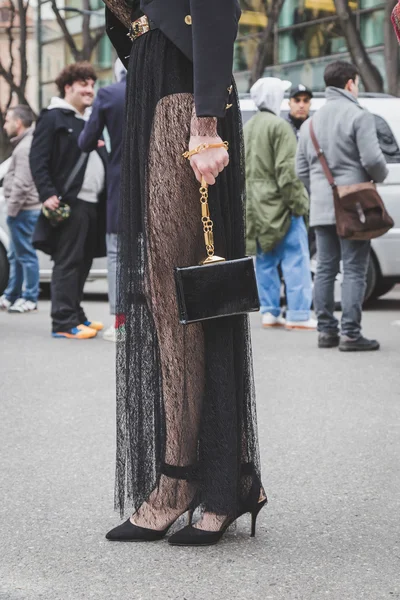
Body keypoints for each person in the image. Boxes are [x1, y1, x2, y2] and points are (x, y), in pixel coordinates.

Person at [102, 0, 267, 546]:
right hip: (156, 89)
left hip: (184, 98)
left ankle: (183, 482)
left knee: (180, 297)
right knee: (179, 296)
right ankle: (233, 473)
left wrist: (205, 121)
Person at [296, 60, 388, 351]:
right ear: (350, 83)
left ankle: (326, 331)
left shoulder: (310, 123)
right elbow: (373, 161)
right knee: (354, 269)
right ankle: (350, 333)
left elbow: (300, 169)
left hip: (322, 207)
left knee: (324, 268)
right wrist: (380, 177)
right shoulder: (359, 116)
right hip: (354, 207)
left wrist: (320, 193)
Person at [30, 63, 107, 340]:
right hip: (69, 203)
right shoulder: (53, 117)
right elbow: (37, 158)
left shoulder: (86, 120)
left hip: (90, 204)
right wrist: (47, 193)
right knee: (68, 261)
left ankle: (75, 314)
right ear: (68, 87)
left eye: (92, 85)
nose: (90, 90)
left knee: (84, 261)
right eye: (83, 84)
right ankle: (63, 322)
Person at [245, 77, 316, 331]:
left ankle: (270, 312)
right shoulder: (280, 127)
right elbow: (288, 173)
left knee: (265, 259)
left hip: (254, 205)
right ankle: (298, 315)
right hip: (281, 204)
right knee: (295, 259)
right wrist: (300, 205)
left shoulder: (248, 127)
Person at [79, 59, 127, 343]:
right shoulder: (159, 89)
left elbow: (86, 141)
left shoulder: (109, 95)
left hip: (121, 185)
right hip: (160, 187)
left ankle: (121, 323)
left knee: (118, 255)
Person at [0, 106, 41, 314]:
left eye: (7, 120)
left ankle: (30, 297)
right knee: (15, 255)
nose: (5, 125)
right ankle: (11, 294)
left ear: (18, 123)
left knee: (25, 255)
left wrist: (12, 210)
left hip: (24, 211)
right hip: (22, 210)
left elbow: (22, 183)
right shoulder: (23, 144)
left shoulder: (25, 147)